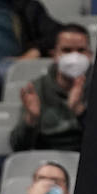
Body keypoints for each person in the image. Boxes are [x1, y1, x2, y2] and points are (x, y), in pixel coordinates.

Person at [13, 24, 91, 153]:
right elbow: (18, 146)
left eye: (81, 50)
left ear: (89, 54)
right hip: (45, 158)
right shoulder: (37, 88)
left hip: (87, 157)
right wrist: (31, 119)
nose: (74, 57)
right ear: (54, 54)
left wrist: (79, 111)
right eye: (67, 50)